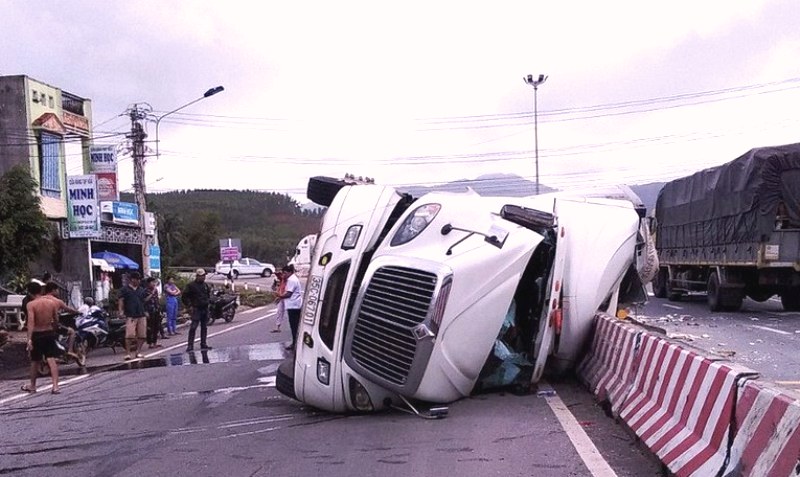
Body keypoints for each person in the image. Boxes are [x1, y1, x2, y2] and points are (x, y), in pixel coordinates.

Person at [22, 281, 62, 394]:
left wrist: (29, 339)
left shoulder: (31, 305)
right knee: (51, 359)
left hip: (37, 334)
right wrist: (53, 329)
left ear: (30, 293)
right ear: (41, 291)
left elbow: (31, 322)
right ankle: (55, 386)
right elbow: (56, 320)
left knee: (35, 360)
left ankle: (33, 386)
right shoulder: (51, 303)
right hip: (49, 332)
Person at [42, 282, 81, 358]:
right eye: (57, 290)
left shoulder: (40, 300)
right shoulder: (58, 301)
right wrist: (77, 312)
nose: (58, 292)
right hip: (52, 325)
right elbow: (68, 309)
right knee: (72, 332)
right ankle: (70, 350)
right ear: (53, 290)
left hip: (40, 325)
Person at [118, 271, 147, 361]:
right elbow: (121, 300)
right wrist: (121, 311)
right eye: (137, 279)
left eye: (139, 279)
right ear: (132, 279)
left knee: (142, 335)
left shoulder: (141, 289)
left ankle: (138, 352)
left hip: (141, 314)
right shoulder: (124, 289)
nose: (138, 281)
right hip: (130, 315)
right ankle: (127, 353)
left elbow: (144, 301)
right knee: (130, 335)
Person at [182, 268, 212, 352]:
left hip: (204, 308)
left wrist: (208, 303)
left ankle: (203, 343)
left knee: (204, 327)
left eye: (204, 276)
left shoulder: (205, 285)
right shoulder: (191, 286)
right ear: (197, 276)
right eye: (201, 276)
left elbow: (208, 295)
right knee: (193, 327)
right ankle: (190, 345)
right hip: (196, 309)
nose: (203, 277)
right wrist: (189, 306)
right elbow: (184, 296)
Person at [279, 264, 303, 349]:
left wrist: (279, 296)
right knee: (295, 326)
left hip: (294, 306)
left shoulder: (291, 280)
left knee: (294, 326)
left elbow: (289, 294)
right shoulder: (293, 279)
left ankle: (295, 343)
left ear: (289, 272)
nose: (283, 275)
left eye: (285, 273)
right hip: (294, 305)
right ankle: (296, 342)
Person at [144, 277, 162, 349]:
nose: (154, 284)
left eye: (154, 282)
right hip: (149, 311)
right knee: (150, 328)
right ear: (148, 283)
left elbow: (157, 300)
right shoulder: (145, 291)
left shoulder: (156, 291)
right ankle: (150, 343)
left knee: (156, 327)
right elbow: (145, 301)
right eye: (152, 282)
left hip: (156, 310)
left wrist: (160, 310)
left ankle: (155, 342)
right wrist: (145, 311)